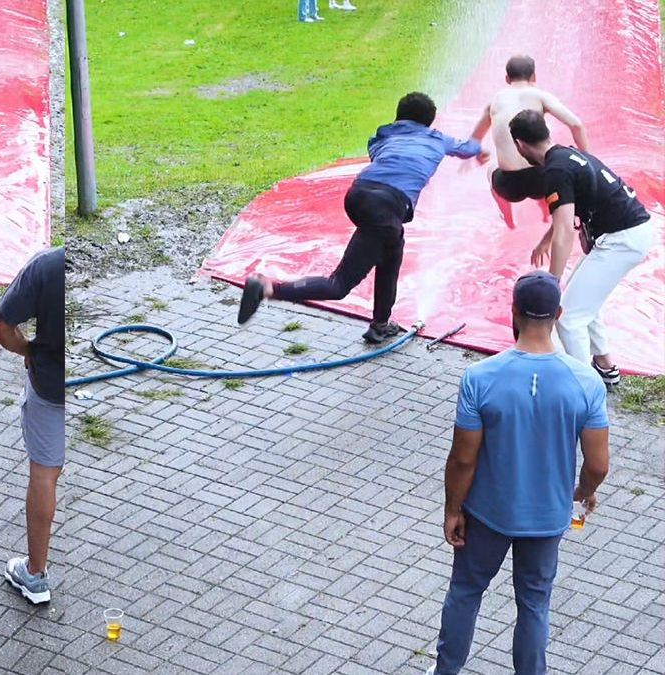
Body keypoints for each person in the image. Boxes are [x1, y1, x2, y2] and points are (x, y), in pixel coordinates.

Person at [428, 271, 609, 675]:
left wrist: (453, 509)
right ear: (559, 314)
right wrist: (581, 491)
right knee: (533, 603)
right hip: (546, 518)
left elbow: (462, 459)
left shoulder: (479, 378)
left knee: (466, 591)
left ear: (513, 311)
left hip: (487, 513)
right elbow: (598, 464)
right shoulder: (586, 383)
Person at [239, 92, 488, 343]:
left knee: (391, 251)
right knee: (338, 285)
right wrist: (483, 136)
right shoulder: (438, 139)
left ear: (399, 116)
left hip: (358, 194)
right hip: (386, 207)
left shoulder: (383, 136)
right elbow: (468, 148)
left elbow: (379, 156)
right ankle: (268, 288)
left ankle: (380, 324)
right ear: (429, 122)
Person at [509, 109, 654, 386]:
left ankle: (582, 387)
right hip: (629, 232)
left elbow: (565, 230)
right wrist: (545, 239)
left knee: (569, 317)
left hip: (622, 239)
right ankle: (605, 365)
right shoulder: (565, 154)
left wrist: (550, 283)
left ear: (520, 145)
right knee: (585, 301)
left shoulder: (555, 171)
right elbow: (566, 211)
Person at [0, 247, 66, 605]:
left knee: (44, 473)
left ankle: (36, 575)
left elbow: (2, 325)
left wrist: (29, 351)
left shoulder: (47, 267)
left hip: (51, 388)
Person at [470, 55, 589, 228]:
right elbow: (576, 124)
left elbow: (475, 139)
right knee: (544, 158)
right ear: (534, 77)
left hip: (508, 186)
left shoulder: (494, 101)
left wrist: (479, 154)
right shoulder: (540, 96)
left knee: (491, 169)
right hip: (542, 181)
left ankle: (508, 218)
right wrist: (587, 157)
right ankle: (545, 209)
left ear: (507, 78)